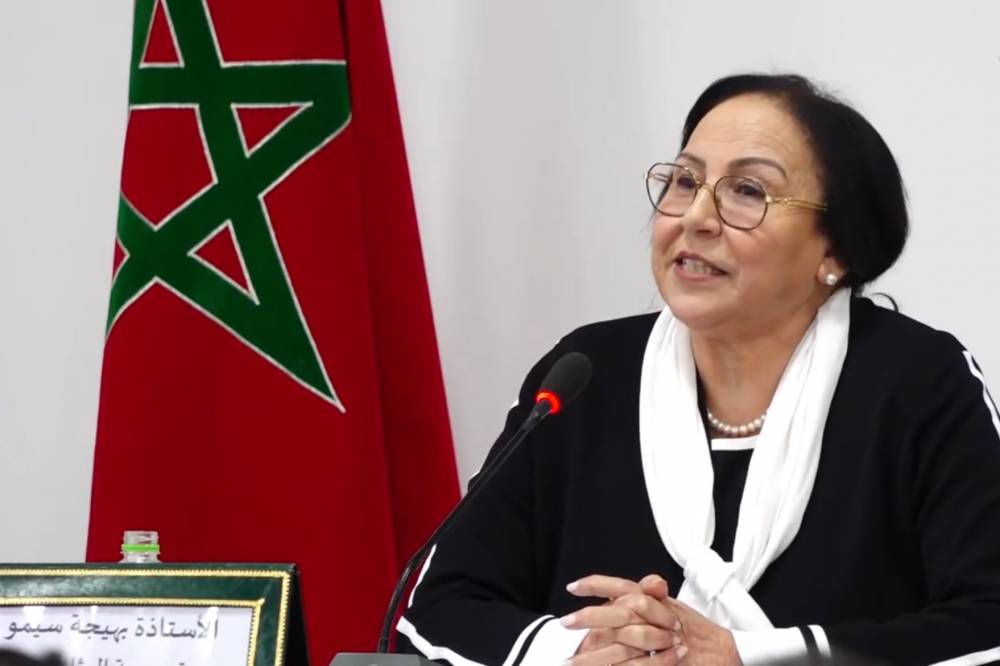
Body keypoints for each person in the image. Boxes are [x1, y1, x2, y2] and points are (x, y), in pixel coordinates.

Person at [395, 74, 1000, 665]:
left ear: (836, 248)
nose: (696, 217)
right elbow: (437, 608)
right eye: (685, 181)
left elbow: (987, 622)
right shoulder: (587, 376)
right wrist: (581, 649)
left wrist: (746, 657)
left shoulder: (917, 383)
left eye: (748, 192)